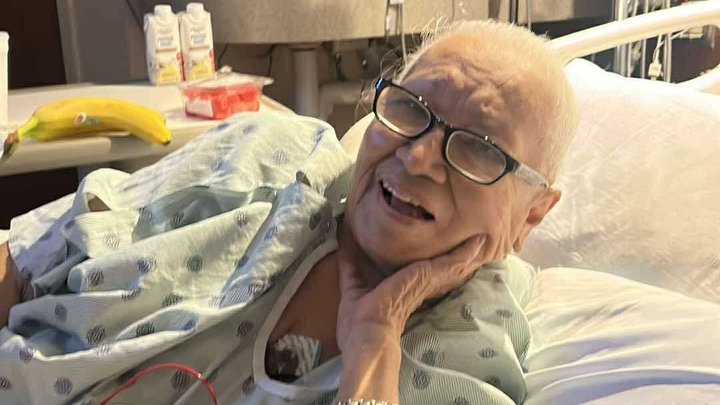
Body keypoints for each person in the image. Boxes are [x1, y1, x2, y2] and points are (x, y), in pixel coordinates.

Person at [0, 20, 576, 405]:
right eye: (409, 108)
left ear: (532, 214)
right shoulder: (265, 155)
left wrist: (374, 342)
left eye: (478, 148)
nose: (419, 157)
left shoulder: (469, 355)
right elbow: (21, 265)